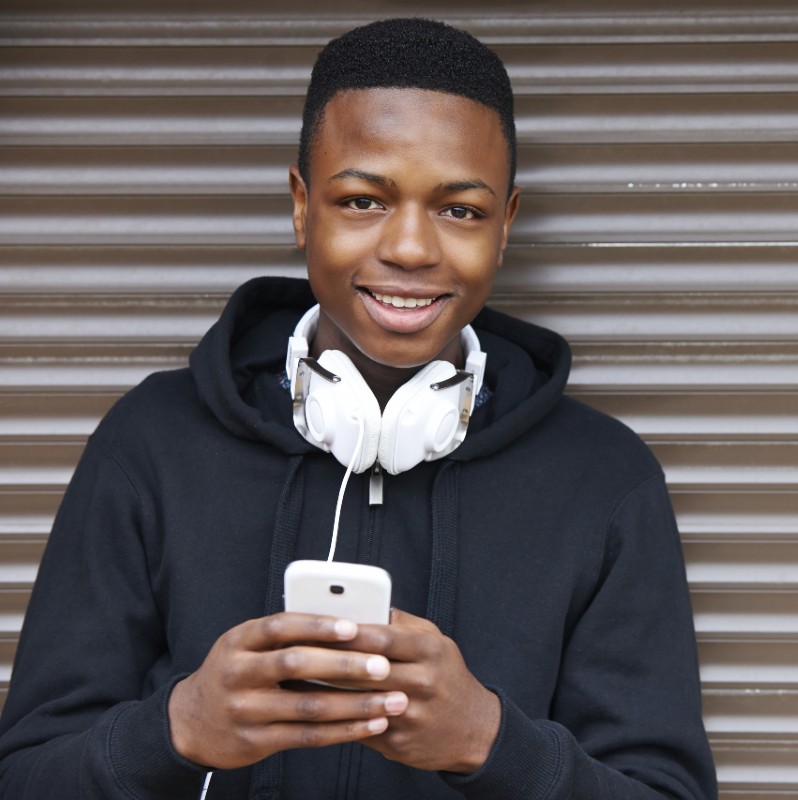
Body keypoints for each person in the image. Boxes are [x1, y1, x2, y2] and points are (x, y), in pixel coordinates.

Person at [0, 17, 717, 800]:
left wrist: (491, 742)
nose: (410, 248)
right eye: (362, 200)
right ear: (302, 206)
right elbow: (27, 772)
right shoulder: (151, 442)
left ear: (506, 223)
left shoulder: (605, 479)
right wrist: (172, 732)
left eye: (460, 210)